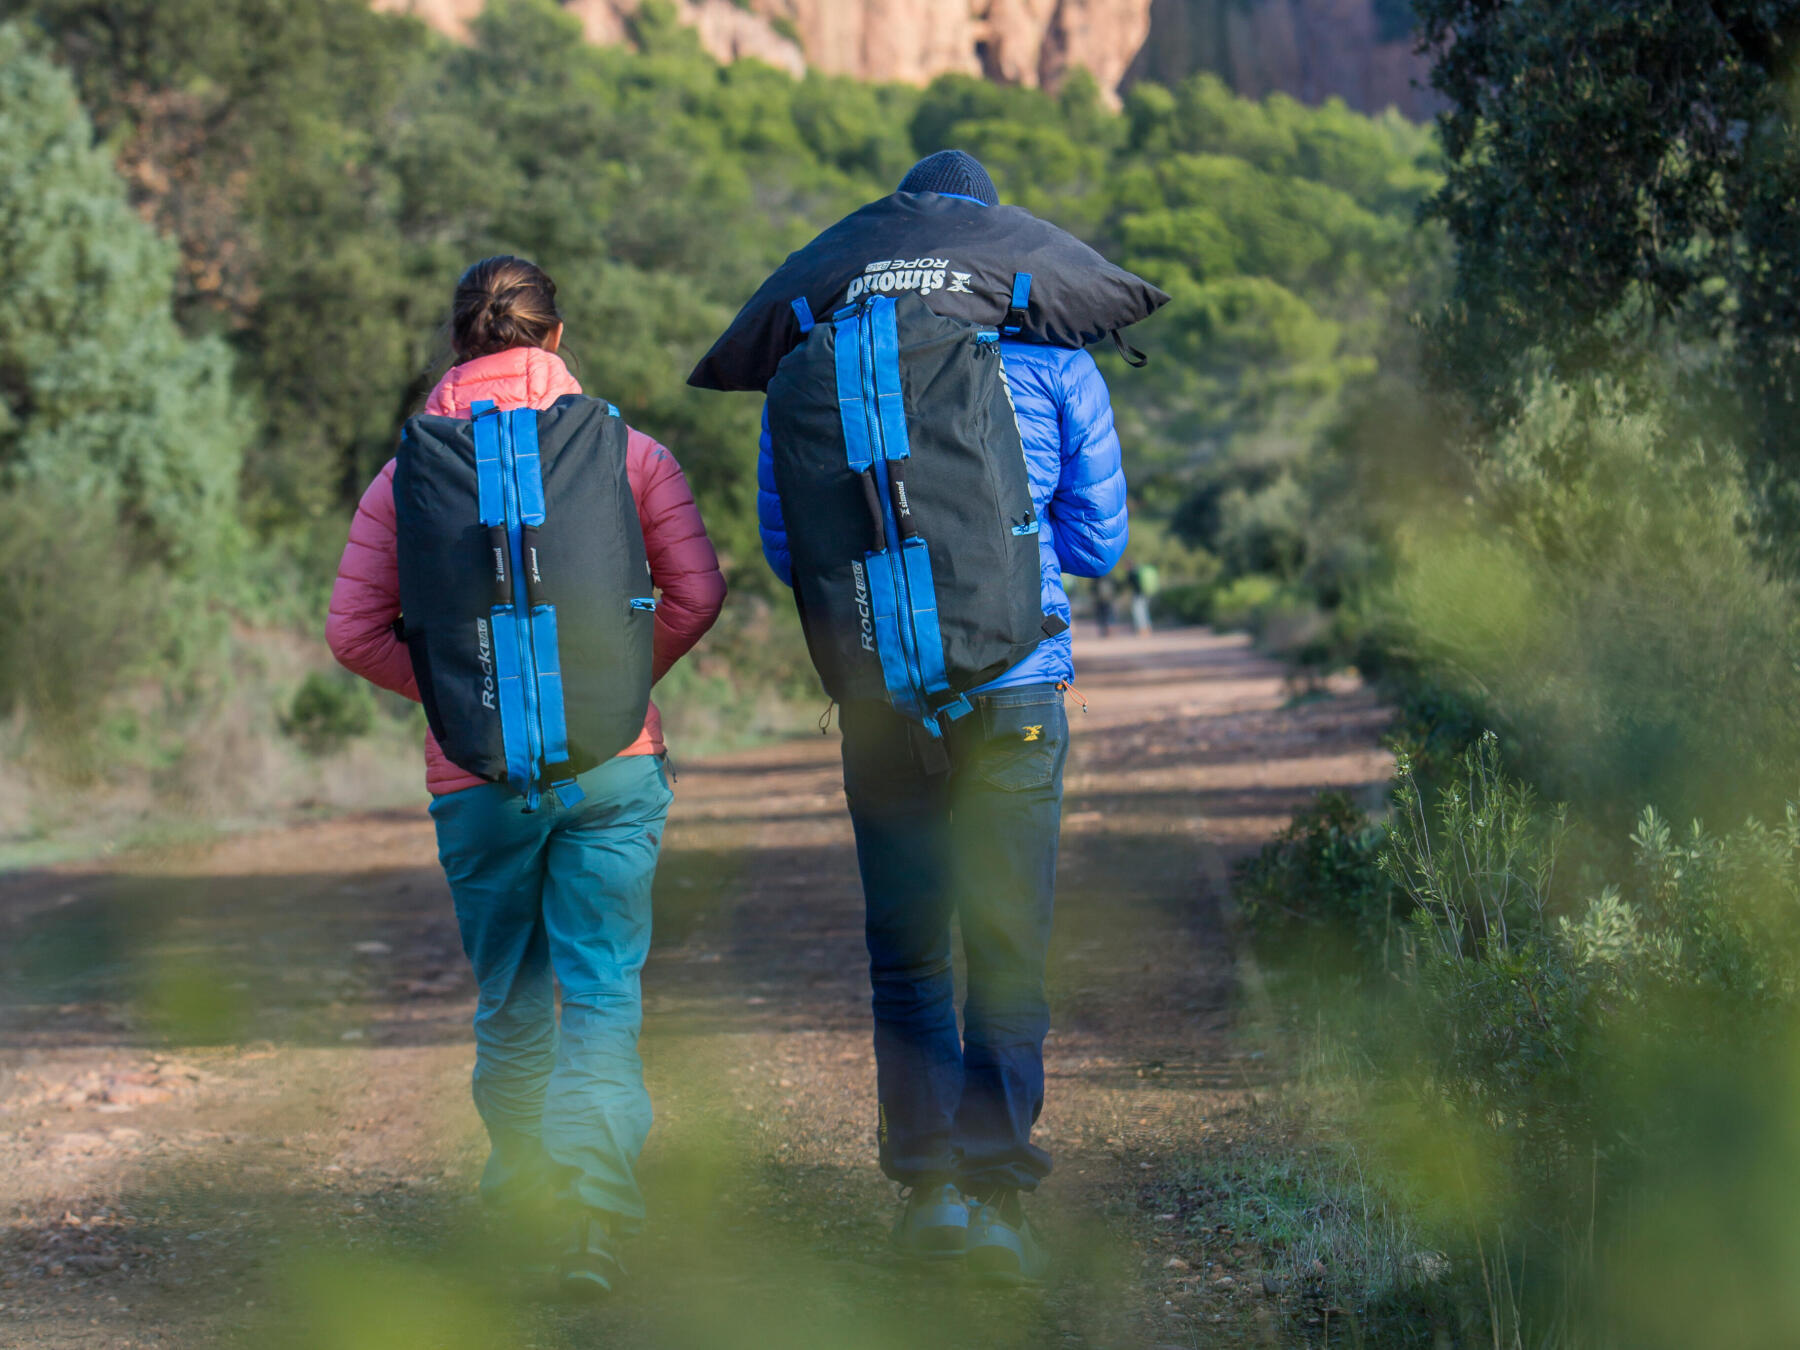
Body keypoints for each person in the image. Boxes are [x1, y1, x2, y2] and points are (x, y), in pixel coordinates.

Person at [757, 151, 1129, 1283]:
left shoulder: (816, 366)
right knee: (1007, 939)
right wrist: (1007, 579)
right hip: (1017, 681)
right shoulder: (1053, 357)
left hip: (879, 693)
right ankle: (1001, 1201)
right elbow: (1099, 544)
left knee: (909, 949)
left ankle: (927, 1201)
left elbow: (791, 549)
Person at [327, 256, 726, 1296]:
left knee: (512, 1002)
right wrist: (612, 690)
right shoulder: (630, 453)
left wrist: (469, 698)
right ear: (553, 338)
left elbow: (351, 631)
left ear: (460, 344)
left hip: (474, 778)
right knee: (599, 996)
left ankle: (522, 1215)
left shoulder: (405, 474)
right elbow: (697, 590)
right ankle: (591, 1224)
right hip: (614, 766)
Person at [1127, 561, 1158, 636]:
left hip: (1137, 595)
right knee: (1144, 611)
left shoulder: (1131, 573)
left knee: (1139, 613)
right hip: (1144, 593)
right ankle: (1148, 628)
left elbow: (1128, 584)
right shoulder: (1138, 571)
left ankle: (1142, 630)